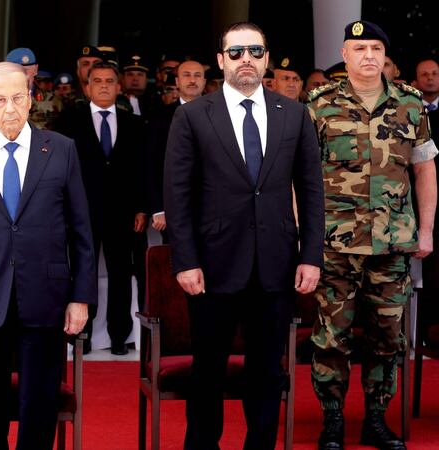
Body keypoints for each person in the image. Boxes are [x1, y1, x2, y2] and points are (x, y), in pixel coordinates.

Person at [166, 22, 324, 449]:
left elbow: (311, 190)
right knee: (209, 369)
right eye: (236, 53)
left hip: (276, 264)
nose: (246, 59)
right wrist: (185, 260)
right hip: (212, 267)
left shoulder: (294, 113)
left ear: (267, 58)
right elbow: (177, 195)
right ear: (221, 61)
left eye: (255, 51)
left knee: (267, 370)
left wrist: (311, 255)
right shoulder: (193, 115)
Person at [0, 61, 96, 450]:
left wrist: (81, 297)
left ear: (31, 99)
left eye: (18, 98)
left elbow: (81, 231)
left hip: (45, 296)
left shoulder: (62, 150)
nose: (10, 108)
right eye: (1, 99)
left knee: (39, 405)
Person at [308, 21, 438, 450]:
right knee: (331, 338)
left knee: (388, 338)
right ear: (344, 55)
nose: (368, 55)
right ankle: (332, 421)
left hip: (392, 243)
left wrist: (427, 230)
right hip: (333, 244)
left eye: (375, 48)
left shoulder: (410, 104)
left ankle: (376, 420)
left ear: (385, 57)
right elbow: (299, 177)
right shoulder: (319, 104)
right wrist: (302, 236)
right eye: (358, 47)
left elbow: (424, 170)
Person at [55, 61, 147, 355]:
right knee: (83, 271)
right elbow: (59, 169)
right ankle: (81, 336)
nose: (104, 86)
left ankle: (119, 336)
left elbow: (142, 171)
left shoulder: (133, 123)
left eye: (110, 81)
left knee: (121, 273)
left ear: (119, 87)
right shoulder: (69, 121)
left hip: (123, 214)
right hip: (82, 212)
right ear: (87, 87)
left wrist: (142, 208)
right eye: (98, 81)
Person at [147, 59, 206, 236]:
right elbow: (151, 164)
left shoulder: (222, 115)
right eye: (186, 75)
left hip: (213, 207)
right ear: (177, 81)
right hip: (174, 207)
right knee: (177, 261)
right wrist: (158, 208)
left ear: (204, 81)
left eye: (197, 75)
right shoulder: (159, 117)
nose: (192, 80)